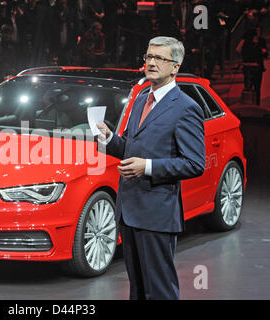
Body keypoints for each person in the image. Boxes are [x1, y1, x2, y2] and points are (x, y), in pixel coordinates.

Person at [97, 36, 205, 300]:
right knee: (139, 290)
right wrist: (110, 140)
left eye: (160, 58)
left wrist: (148, 167)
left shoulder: (186, 108)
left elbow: (195, 163)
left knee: (160, 290)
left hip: (157, 214)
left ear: (175, 66)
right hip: (129, 210)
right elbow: (131, 149)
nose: (152, 63)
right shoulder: (141, 98)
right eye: (148, 57)